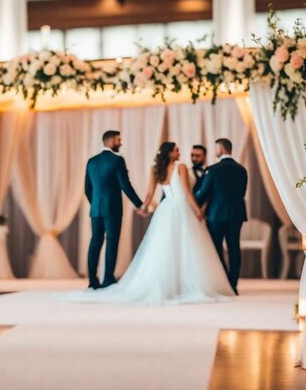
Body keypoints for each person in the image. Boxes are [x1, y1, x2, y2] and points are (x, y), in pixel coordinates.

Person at [62, 141, 234, 305]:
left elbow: (150, 193)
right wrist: (197, 210)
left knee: (163, 247)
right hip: (180, 207)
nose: (179, 152)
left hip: (165, 209)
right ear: (170, 152)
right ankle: (184, 283)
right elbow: (187, 193)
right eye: (176, 150)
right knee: (186, 246)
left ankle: (102, 279)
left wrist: (143, 207)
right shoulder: (180, 166)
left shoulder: (155, 169)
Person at [85, 130, 147, 289]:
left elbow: (87, 189)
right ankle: (108, 279)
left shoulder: (91, 161)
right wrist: (140, 205)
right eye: (119, 140)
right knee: (111, 242)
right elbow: (125, 186)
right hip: (113, 209)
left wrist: (95, 203)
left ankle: (92, 280)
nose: (121, 143)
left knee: (95, 242)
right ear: (112, 141)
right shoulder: (117, 160)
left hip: (96, 210)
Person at [195, 138, 248, 295]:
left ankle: (223, 281)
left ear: (220, 149)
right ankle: (233, 284)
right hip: (236, 214)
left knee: (216, 249)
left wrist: (192, 199)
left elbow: (203, 193)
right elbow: (242, 192)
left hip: (216, 214)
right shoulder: (242, 169)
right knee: (234, 249)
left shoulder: (212, 169)